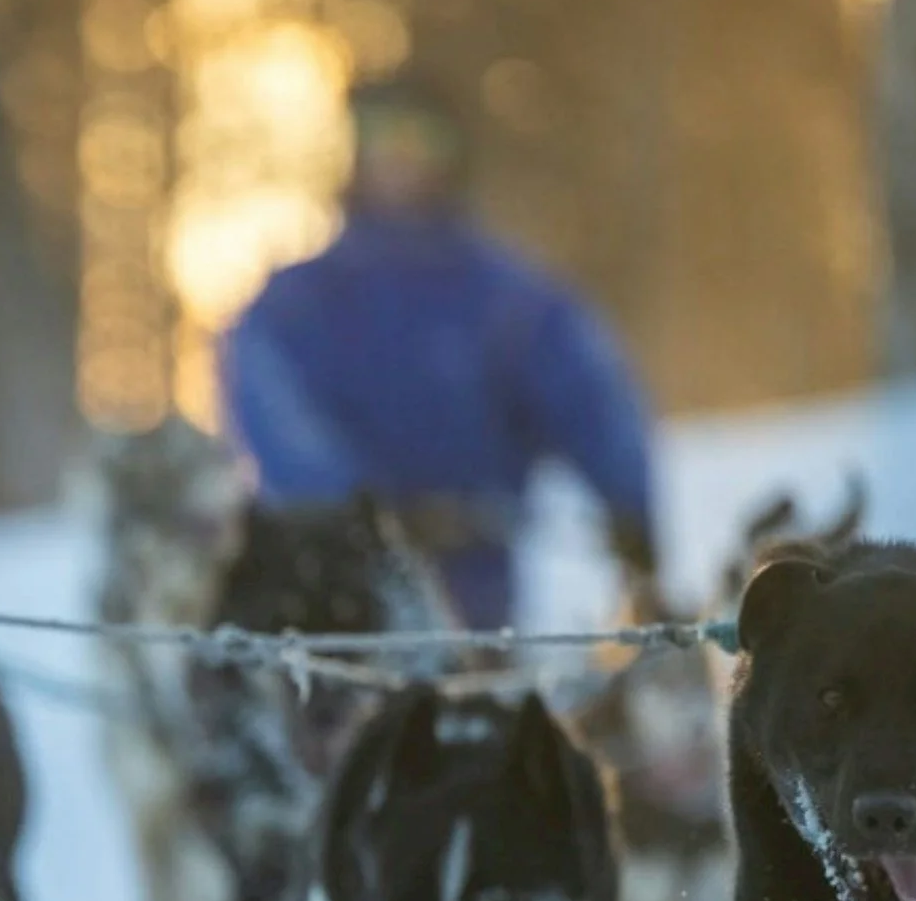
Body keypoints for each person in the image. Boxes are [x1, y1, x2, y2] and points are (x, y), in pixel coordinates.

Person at [219, 71, 663, 630]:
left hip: (476, 594)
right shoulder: (297, 304)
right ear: (356, 153)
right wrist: (357, 515)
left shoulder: (507, 300)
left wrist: (631, 511)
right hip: (330, 601)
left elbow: (593, 399)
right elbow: (273, 408)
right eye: (385, 139)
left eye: (421, 140)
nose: (402, 161)